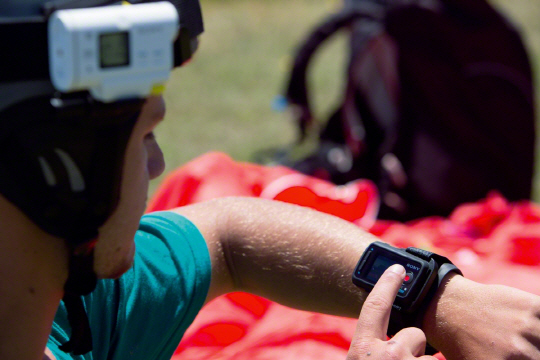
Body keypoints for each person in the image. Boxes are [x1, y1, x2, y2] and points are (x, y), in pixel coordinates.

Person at [1, 1, 540, 360]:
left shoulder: (69, 306)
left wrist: (437, 298)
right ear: (60, 172)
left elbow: (230, 238)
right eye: (143, 137)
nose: (159, 163)